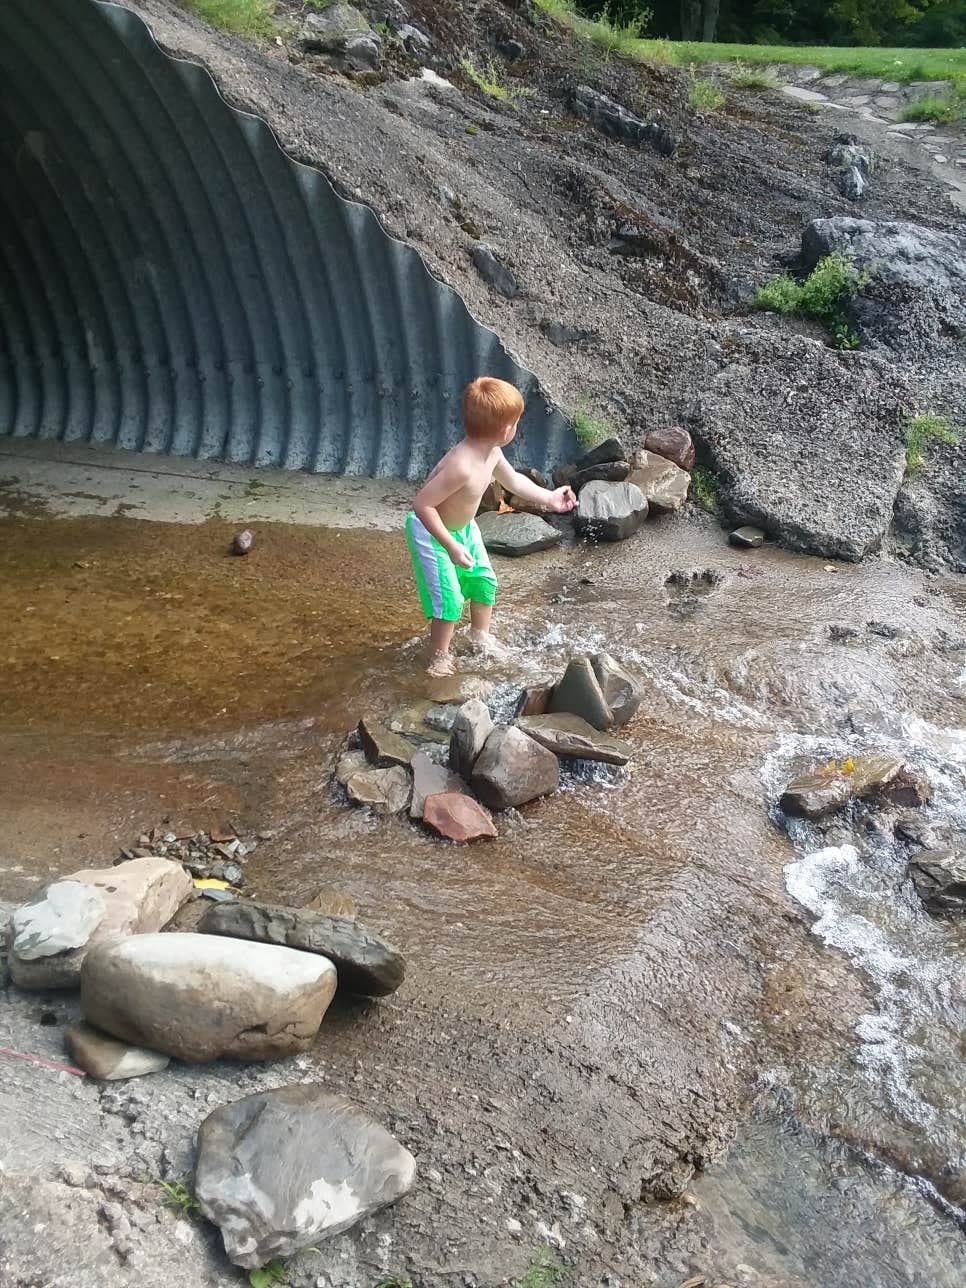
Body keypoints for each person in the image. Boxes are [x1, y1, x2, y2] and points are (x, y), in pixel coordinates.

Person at [406, 377, 577, 675]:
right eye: (516, 423)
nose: (516, 427)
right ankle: (439, 656)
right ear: (504, 430)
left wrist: (549, 498)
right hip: (432, 532)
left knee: (484, 582)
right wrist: (451, 545)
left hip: (464, 527)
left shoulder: (492, 453)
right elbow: (422, 505)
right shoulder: (462, 466)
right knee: (450, 600)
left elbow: (513, 481)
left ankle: (480, 635)